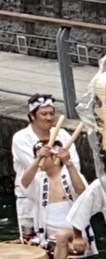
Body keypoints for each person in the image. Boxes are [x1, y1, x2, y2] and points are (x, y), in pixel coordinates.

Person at [10, 95, 80, 240]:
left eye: (51, 113)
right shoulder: (21, 138)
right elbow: (42, 168)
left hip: (63, 196)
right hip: (32, 196)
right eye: (44, 114)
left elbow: (74, 163)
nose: (49, 118)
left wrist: (65, 165)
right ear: (32, 116)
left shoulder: (63, 134)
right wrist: (47, 159)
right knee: (33, 243)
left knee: (67, 241)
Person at [17, 136, 87, 259]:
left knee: (61, 236)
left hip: (73, 234)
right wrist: (39, 158)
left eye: (44, 157)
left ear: (55, 157)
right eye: (37, 157)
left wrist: (68, 163)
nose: (39, 162)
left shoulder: (70, 174)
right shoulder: (39, 180)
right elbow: (24, 182)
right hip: (47, 237)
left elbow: (82, 192)